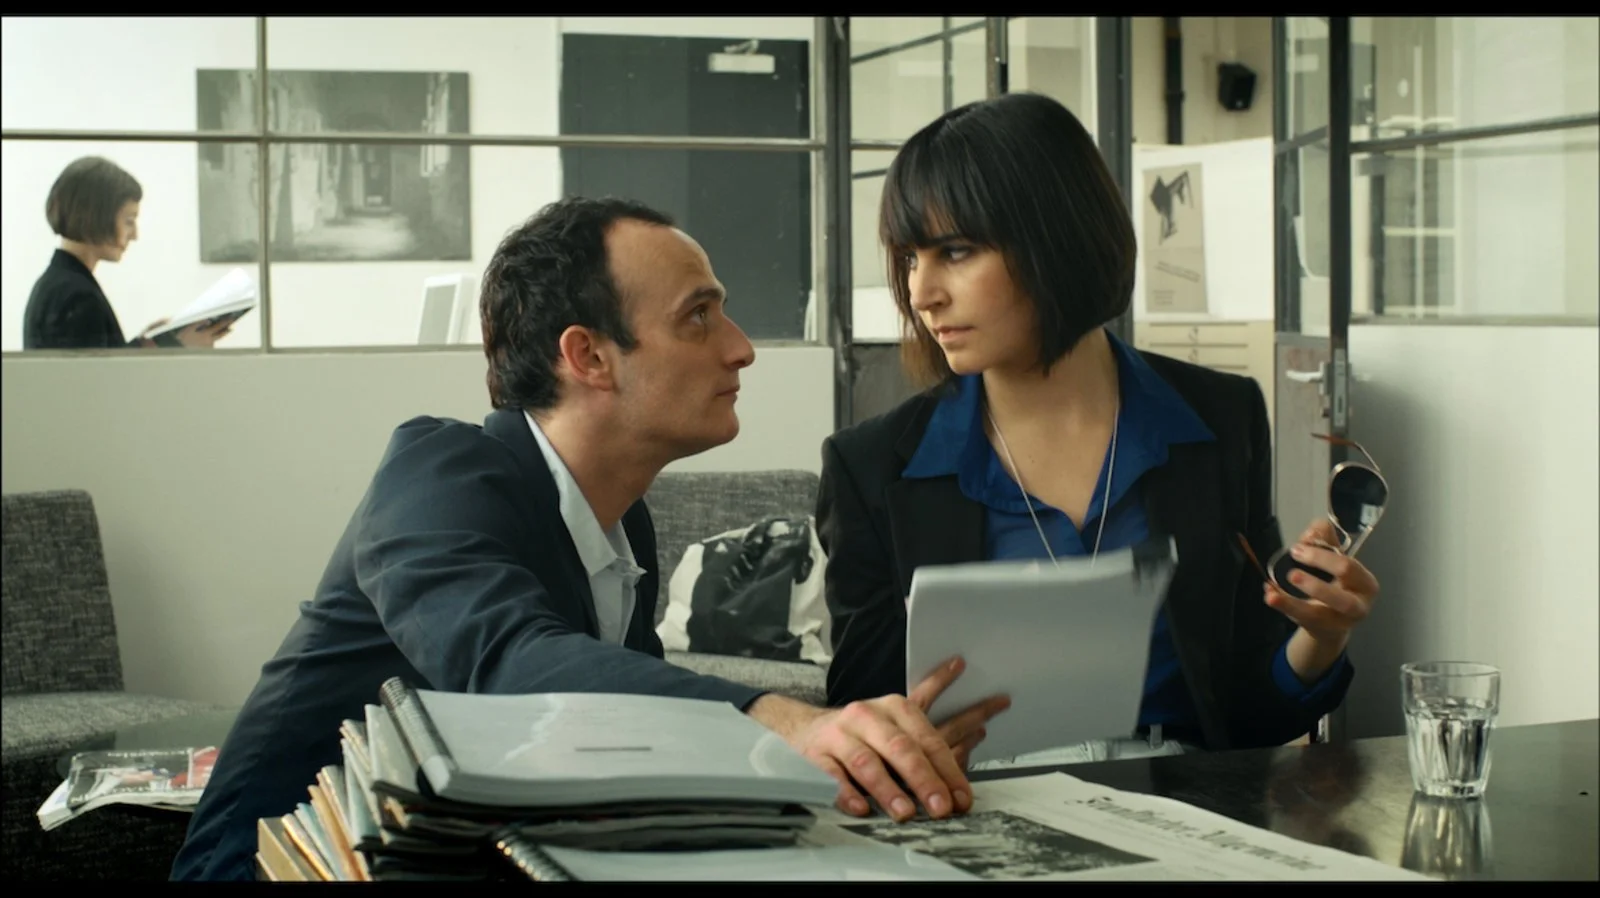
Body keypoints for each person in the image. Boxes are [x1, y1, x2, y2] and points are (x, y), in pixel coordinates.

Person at [171, 196, 1003, 882]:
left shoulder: (619, 520)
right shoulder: (438, 472)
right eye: (699, 317)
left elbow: (616, 737)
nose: (741, 348)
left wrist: (860, 746)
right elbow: (509, 663)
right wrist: (781, 719)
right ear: (589, 357)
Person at [816, 93, 1379, 781]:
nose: (922, 291)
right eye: (909, 258)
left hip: (1183, 804)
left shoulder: (1218, 420)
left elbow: (1244, 715)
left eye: (955, 251)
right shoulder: (872, 467)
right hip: (978, 808)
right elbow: (857, 727)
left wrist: (1320, 635)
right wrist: (904, 740)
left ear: (1057, 238)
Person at [23, 156, 231, 350]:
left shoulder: (59, 284)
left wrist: (148, 344)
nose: (135, 235)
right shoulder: (78, 296)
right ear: (97, 217)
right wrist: (176, 346)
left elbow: (99, 370)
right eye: (129, 221)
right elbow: (102, 385)